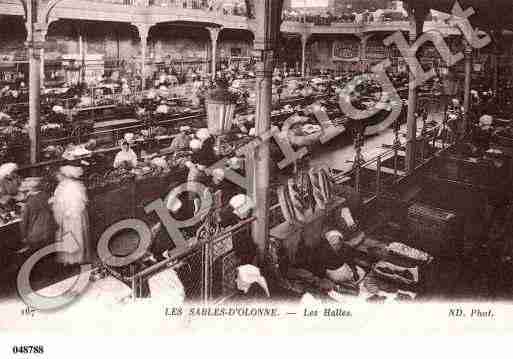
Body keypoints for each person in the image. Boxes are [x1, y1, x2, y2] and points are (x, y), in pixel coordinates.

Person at [50, 166, 90, 265]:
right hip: (67, 217)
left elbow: (79, 203)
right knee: (68, 237)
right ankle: (69, 259)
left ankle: (75, 259)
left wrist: (67, 211)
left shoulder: (74, 186)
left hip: (73, 217)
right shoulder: (62, 186)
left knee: (74, 237)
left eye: (60, 175)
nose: (58, 177)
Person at [18, 177, 55, 253]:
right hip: (49, 232)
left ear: (29, 189)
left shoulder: (29, 202)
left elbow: (24, 222)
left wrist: (23, 236)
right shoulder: (47, 196)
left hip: (35, 236)